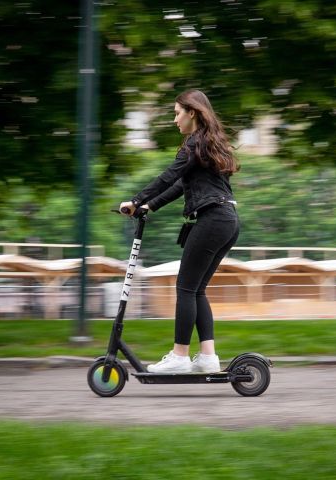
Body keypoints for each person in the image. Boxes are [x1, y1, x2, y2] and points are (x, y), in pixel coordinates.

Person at [120, 89, 239, 374]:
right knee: (197, 290)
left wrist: (135, 201)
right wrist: (149, 206)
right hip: (227, 220)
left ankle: (180, 356)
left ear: (192, 112)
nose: (175, 120)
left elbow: (168, 176)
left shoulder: (194, 144)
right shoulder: (207, 144)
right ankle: (208, 357)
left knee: (185, 288)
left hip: (212, 220)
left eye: (177, 113)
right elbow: (179, 186)